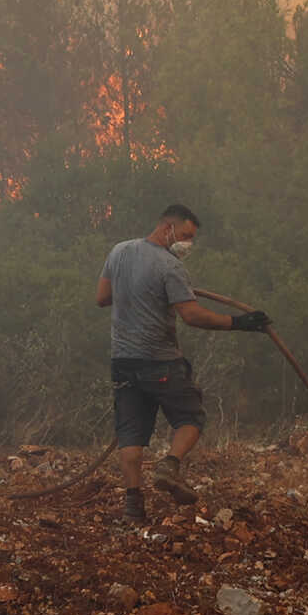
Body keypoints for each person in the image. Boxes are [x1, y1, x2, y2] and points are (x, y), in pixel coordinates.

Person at [96, 203, 269, 524]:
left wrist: (134, 294)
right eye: (186, 235)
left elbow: (102, 297)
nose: (188, 243)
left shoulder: (119, 251)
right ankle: (169, 466)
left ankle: (133, 508)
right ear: (167, 228)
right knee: (191, 416)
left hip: (123, 361)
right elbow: (192, 315)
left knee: (131, 434)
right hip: (160, 361)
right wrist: (240, 323)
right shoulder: (169, 266)